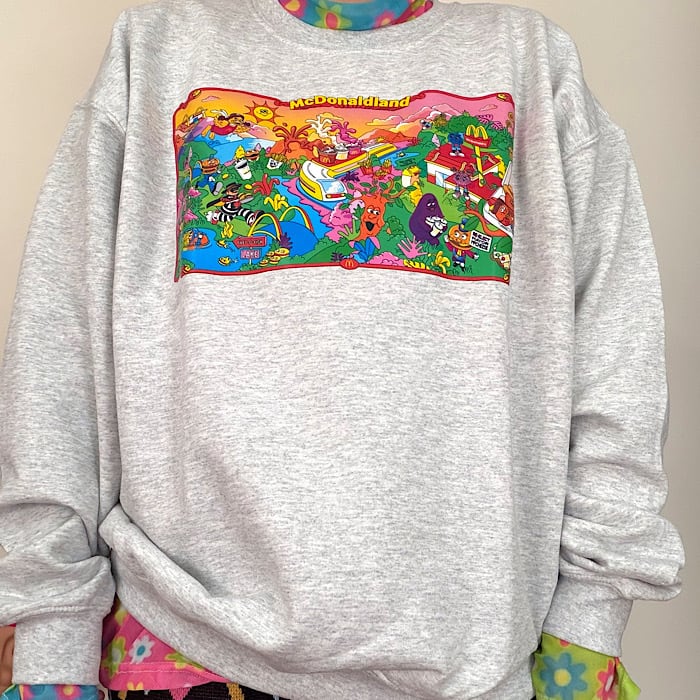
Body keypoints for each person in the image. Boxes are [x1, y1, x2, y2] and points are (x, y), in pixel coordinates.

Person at [0, 0, 685, 698]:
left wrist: (589, 620)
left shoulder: (529, 58)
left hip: (471, 665)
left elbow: (616, 358)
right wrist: (49, 642)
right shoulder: (157, 48)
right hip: (182, 641)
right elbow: (60, 351)